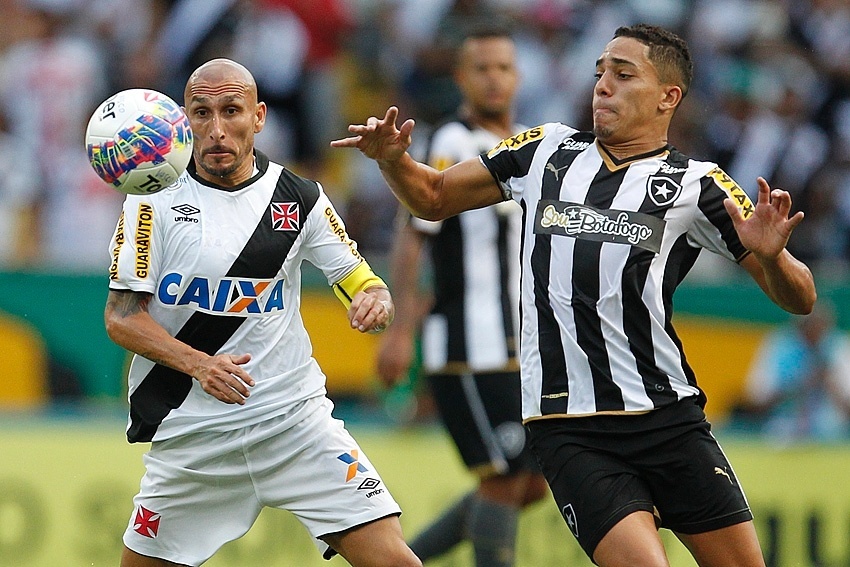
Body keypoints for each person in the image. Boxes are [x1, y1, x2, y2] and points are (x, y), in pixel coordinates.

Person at [332, 23, 817, 567]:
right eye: (600, 72)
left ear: (668, 97)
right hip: (571, 429)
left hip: (667, 416)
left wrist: (774, 258)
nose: (602, 85)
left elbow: (800, 298)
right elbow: (433, 196)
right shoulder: (544, 151)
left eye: (623, 74)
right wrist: (393, 160)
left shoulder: (698, 185)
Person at [103, 58, 421, 567]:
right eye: (201, 113)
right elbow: (120, 317)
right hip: (197, 443)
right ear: (184, 120)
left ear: (259, 116)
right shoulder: (153, 201)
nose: (216, 129)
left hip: (294, 425)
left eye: (231, 111)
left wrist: (376, 299)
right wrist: (199, 364)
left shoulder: (300, 197)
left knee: (396, 562)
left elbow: (360, 279)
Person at [375, 28, 548, 567]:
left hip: (520, 344)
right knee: (503, 478)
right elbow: (412, 238)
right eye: (482, 68)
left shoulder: (530, 145)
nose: (494, 78)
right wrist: (401, 330)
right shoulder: (451, 142)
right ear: (461, 78)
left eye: (503, 67)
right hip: (467, 343)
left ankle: (399, 561)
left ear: (518, 77)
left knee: (532, 482)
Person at [737, 301, 850, 441]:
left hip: (833, 432)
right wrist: (797, 384)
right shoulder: (780, 346)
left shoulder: (839, 347)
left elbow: (846, 406)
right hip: (782, 430)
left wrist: (829, 381)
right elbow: (756, 402)